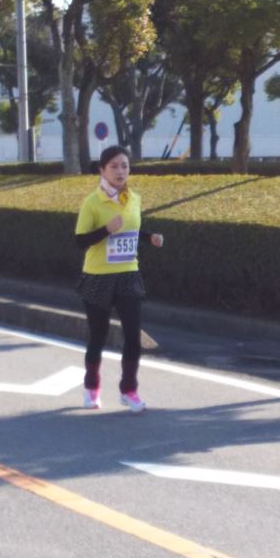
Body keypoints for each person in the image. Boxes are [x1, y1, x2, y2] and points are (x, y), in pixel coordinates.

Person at [74, 145, 164, 411]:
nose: (120, 171)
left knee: (133, 337)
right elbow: (80, 241)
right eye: (113, 166)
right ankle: (92, 387)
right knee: (98, 337)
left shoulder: (133, 199)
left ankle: (129, 390)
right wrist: (105, 230)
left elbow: (131, 230)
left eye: (124, 166)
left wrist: (149, 237)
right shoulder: (92, 202)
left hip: (128, 275)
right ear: (102, 170)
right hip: (98, 277)